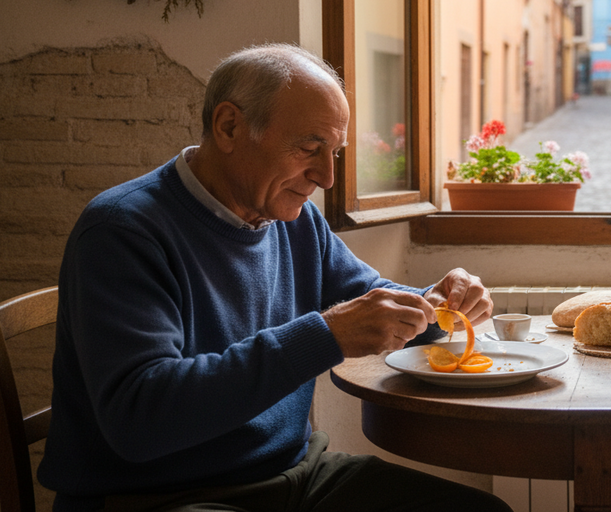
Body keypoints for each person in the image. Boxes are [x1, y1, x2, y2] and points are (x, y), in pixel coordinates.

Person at [38, 44, 512, 512]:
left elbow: (370, 302)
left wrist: (436, 302)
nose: (327, 177)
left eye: (336, 153)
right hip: (159, 497)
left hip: (291, 477)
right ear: (229, 127)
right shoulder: (123, 231)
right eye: (310, 148)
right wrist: (326, 335)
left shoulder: (294, 219)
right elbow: (139, 420)